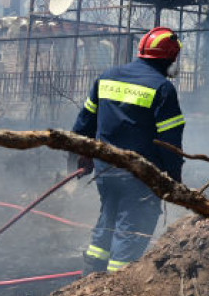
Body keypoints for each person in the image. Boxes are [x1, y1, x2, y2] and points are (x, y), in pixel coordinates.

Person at [72, 26, 186, 274]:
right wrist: (174, 178)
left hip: (105, 171)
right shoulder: (162, 88)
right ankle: (118, 283)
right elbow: (170, 142)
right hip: (141, 176)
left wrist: (84, 155)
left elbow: (84, 123)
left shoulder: (107, 77)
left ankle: (90, 277)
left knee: (108, 219)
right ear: (169, 58)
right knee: (132, 230)